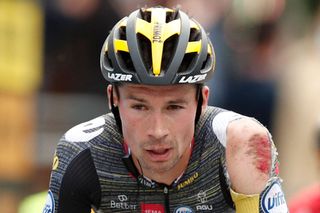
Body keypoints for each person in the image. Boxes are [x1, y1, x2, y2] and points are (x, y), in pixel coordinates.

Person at [43, 6, 288, 213]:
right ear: (113, 99)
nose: (157, 130)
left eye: (174, 106)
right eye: (139, 106)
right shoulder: (82, 153)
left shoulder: (242, 145)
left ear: (202, 102)